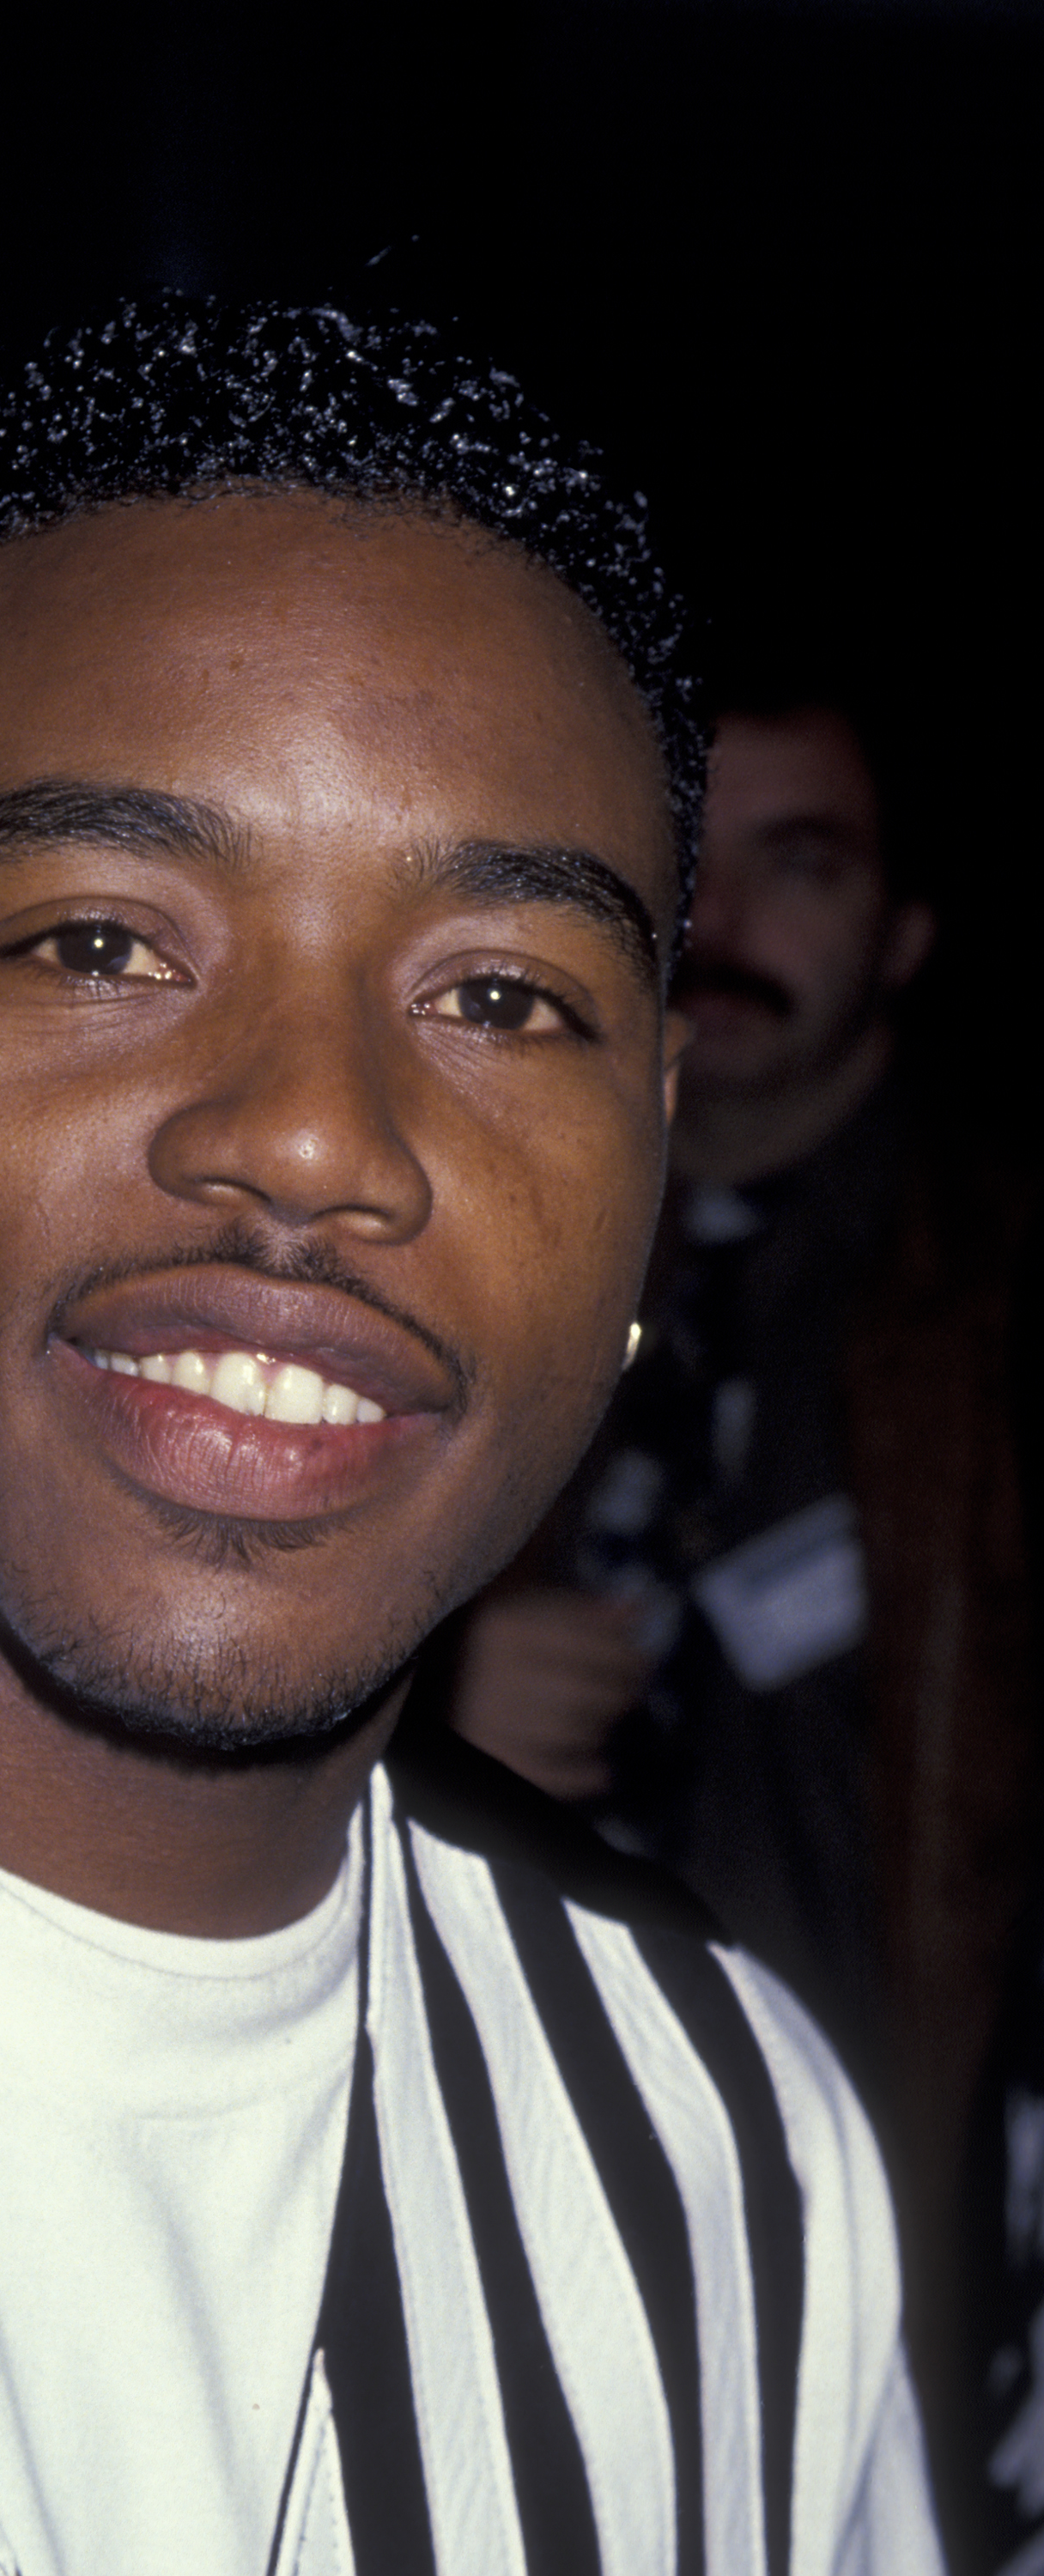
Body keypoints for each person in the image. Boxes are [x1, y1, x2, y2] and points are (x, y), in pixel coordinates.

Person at [0, 303, 942, 2573]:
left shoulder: (723, 2160)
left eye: (497, 996)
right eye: (101, 942)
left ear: (648, 1142)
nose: (310, 1140)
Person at [443, 665, 1038, 2428]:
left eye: (808, 866)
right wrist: (418, 1702)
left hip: (905, 2210)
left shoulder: (999, 1287)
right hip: (524, 2173)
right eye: (691, 860)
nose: (729, 921)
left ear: (907, 932)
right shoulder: (462, 1225)